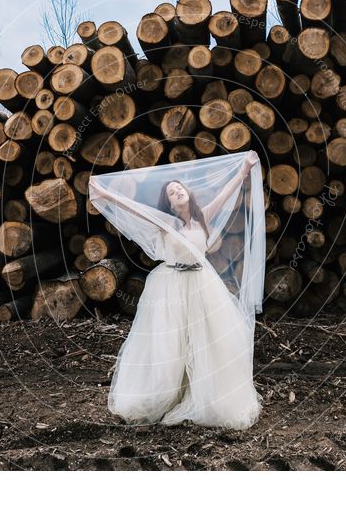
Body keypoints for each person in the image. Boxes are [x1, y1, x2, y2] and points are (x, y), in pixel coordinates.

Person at [88, 151, 264, 430]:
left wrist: (243, 170)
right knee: (172, 341)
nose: (177, 192)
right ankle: (167, 395)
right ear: (168, 202)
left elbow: (228, 195)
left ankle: (203, 395)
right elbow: (136, 210)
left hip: (202, 281)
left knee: (207, 338)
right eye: (171, 192)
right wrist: (106, 195)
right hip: (171, 284)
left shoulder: (203, 217)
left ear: (188, 194)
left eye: (180, 188)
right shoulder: (167, 223)